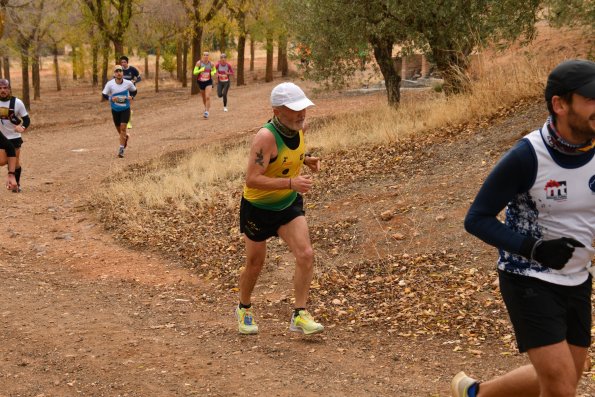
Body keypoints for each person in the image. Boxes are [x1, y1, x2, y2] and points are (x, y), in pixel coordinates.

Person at [452, 59, 595, 397]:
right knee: (560, 388)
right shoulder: (528, 156)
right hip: (529, 278)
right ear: (559, 105)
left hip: (577, 277)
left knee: (572, 373)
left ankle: (477, 393)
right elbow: (476, 218)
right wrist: (534, 248)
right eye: (590, 98)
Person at [236, 82, 324, 336]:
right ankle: (243, 308)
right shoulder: (264, 138)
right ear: (277, 111)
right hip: (258, 207)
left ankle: (299, 314)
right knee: (255, 264)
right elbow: (252, 179)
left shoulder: (300, 127)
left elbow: (288, 153)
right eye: (295, 109)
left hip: (287, 203)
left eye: (303, 108)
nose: (301, 114)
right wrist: (290, 182)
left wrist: (305, 159)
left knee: (306, 254)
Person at [0, 78, 30, 192]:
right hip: (2, 138)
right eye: (0, 88)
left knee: (15, 162)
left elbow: (26, 119)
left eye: (5, 88)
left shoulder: (17, 102)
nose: (2, 90)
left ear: (9, 89)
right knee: (2, 161)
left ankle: (16, 185)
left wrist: (22, 127)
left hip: (14, 137)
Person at [102, 65, 137, 158]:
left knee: (123, 128)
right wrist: (111, 98)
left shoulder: (128, 83)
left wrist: (131, 97)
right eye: (116, 71)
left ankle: (121, 150)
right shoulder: (110, 84)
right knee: (120, 131)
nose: (118, 73)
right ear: (114, 74)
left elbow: (134, 90)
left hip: (125, 109)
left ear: (122, 73)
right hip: (115, 110)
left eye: (120, 71)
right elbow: (104, 94)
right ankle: (125, 138)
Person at [119, 55, 142, 129]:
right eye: (122, 62)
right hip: (122, 90)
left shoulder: (132, 69)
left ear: (127, 62)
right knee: (122, 106)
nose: (123, 63)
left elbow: (139, 78)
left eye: (124, 62)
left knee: (128, 105)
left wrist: (134, 81)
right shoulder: (119, 70)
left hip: (131, 91)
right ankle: (124, 120)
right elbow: (115, 78)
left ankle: (128, 122)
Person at [193, 52, 216, 119]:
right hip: (201, 82)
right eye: (204, 55)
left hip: (208, 82)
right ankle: (206, 108)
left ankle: (207, 112)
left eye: (207, 55)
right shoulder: (199, 63)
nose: (206, 56)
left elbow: (214, 70)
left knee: (207, 97)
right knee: (203, 97)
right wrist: (200, 70)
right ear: (202, 56)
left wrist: (212, 72)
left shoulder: (211, 64)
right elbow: (194, 72)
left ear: (209, 56)